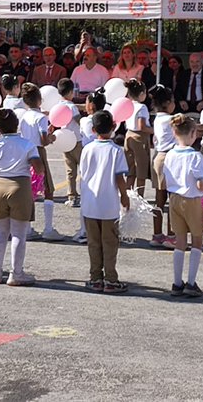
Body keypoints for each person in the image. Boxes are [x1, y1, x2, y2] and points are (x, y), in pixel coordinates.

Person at [0, 108, 42, 287]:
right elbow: (39, 168)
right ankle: (16, 273)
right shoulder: (27, 144)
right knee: (18, 233)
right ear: (17, 124)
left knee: (0, 231)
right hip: (19, 185)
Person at [78, 110, 130, 293]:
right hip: (109, 204)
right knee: (110, 243)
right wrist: (124, 196)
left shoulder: (87, 149)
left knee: (93, 242)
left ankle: (95, 277)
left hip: (90, 203)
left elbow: (82, 174)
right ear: (114, 127)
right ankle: (110, 279)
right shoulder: (116, 151)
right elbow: (119, 178)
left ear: (93, 129)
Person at [163, 114, 203, 297]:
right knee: (197, 240)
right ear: (193, 134)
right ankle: (191, 283)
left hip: (174, 199)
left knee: (180, 241)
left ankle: (177, 283)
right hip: (192, 200)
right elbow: (199, 184)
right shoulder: (195, 156)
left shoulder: (170, 154)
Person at [19, 83, 60, 241]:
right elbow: (43, 140)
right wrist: (51, 137)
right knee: (48, 188)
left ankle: (28, 228)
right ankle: (48, 228)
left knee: (29, 188)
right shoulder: (41, 118)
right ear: (40, 100)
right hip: (38, 152)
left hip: (26, 151)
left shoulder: (24, 116)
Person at [149, 85, 176, 248]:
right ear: (167, 103)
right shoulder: (171, 119)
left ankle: (157, 234)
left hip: (158, 157)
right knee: (173, 198)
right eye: (172, 101)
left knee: (159, 199)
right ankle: (172, 235)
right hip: (169, 159)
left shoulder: (157, 118)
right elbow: (191, 128)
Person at [122, 79, 152, 196]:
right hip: (139, 138)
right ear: (141, 94)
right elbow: (142, 126)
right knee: (141, 170)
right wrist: (154, 130)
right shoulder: (142, 107)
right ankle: (140, 195)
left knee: (131, 169)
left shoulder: (128, 105)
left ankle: (127, 194)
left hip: (129, 134)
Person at [56, 78, 83, 207]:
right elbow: (78, 120)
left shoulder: (58, 106)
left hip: (65, 141)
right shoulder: (72, 107)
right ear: (71, 92)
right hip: (76, 140)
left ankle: (71, 195)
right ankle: (85, 193)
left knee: (70, 171)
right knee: (83, 168)